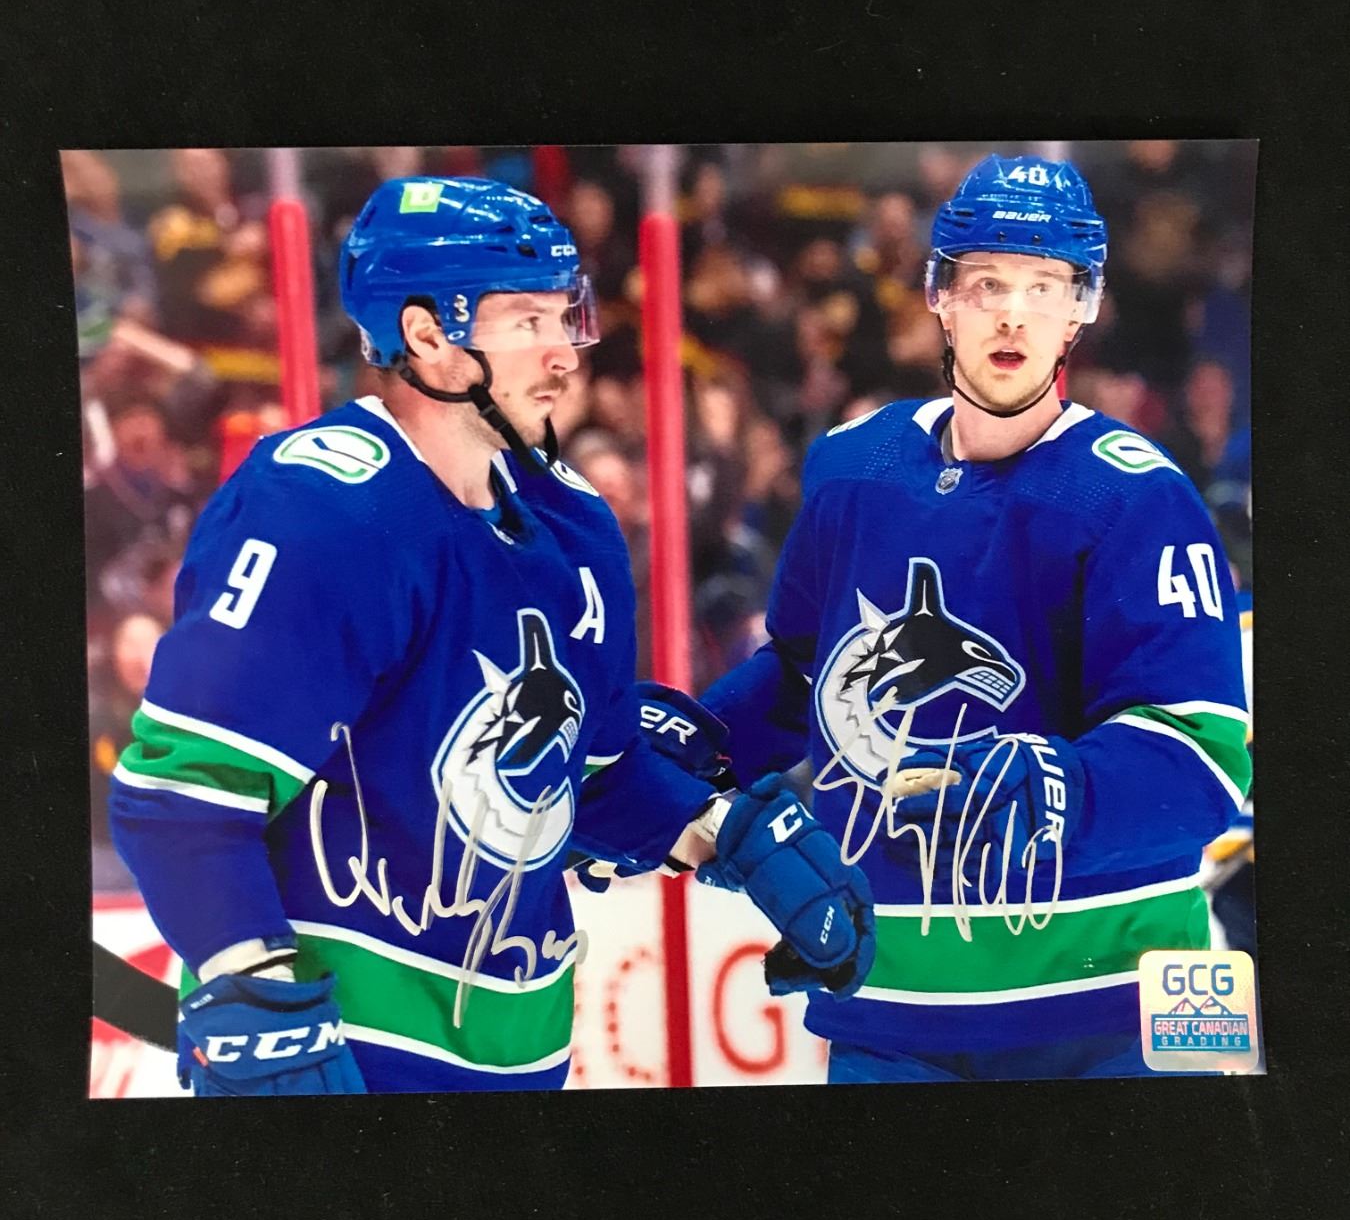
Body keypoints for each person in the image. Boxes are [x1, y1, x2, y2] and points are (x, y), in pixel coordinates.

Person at [108, 176, 874, 1096]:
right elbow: (185, 795)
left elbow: (592, 776)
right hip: (347, 1049)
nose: (564, 354)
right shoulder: (323, 511)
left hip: (526, 1056)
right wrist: (253, 992)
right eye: (526, 320)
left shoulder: (574, 526)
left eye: (565, 316)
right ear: (429, 335)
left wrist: (726, 831)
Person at [689, 153, 1251, 1082]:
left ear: (1082, 307)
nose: (1013, 313)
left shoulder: (1138, 497)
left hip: (1110, 1006)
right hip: (890, 1008)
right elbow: (800, 673)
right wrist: (691, 749)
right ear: (940, 297)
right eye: (987, 283)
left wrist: (1063, 786)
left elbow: (1205, 762)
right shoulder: (854, 468)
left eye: (1045, 287)